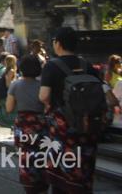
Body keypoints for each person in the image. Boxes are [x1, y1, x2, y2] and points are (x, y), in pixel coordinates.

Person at [39, 27, 104, 193]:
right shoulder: (87, 65)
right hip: (87, 124)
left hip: (64, 127)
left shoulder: (51, 66)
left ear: (58, 43)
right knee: (85, 164)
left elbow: (44, 96)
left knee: (61, 170)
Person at [6, 54, 45, 194]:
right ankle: (43, 186)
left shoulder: (16, 85)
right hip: (41, 124)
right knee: (43, 157)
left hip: (23, 125)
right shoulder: (42, 85)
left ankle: (30, 186)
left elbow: (9, 108)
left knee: (26, 159)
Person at [0, 54, 17, 134]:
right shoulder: (11, 71)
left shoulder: (5, 70)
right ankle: (14, 130)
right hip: (6, 94)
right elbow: (8, 84)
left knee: (1, 112)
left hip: (1, 95)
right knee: (14, 111)